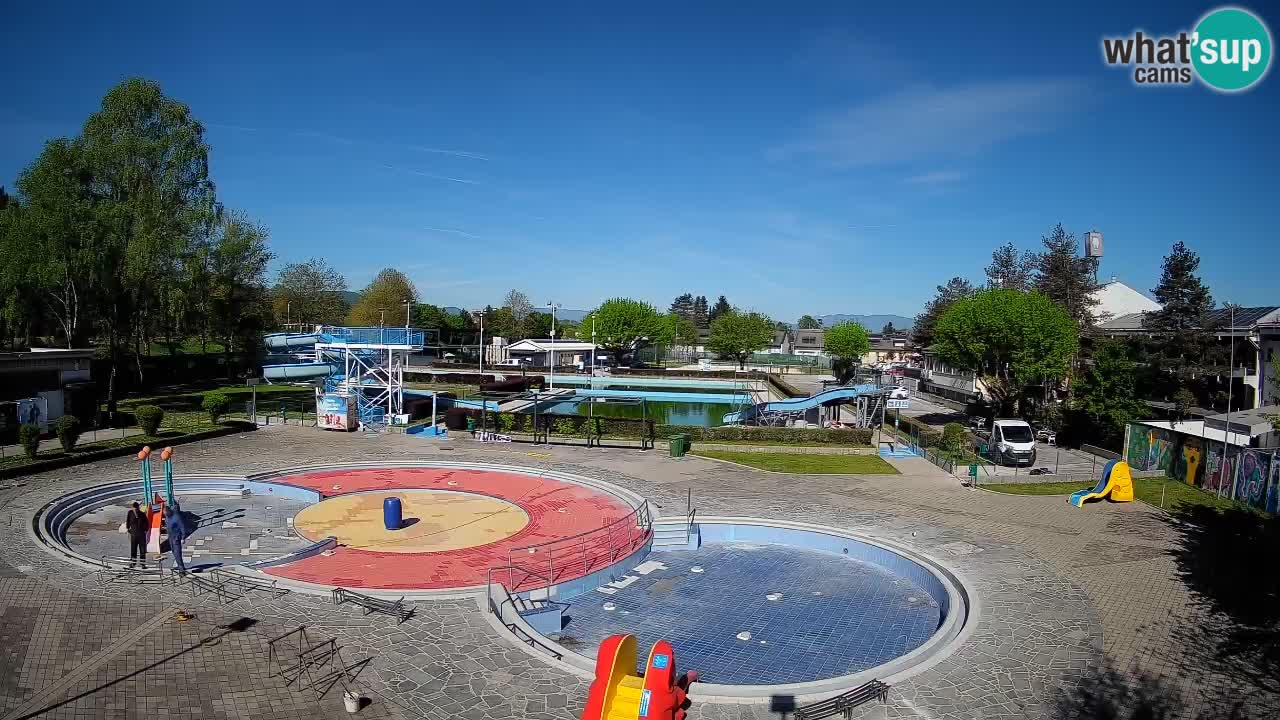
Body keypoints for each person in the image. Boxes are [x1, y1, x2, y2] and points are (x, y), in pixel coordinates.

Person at [164, 505, 188, 574]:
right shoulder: (167, 517)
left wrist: (183, 537)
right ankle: (180, 565)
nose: (165, 515)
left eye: (166, 513)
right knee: (174, 552)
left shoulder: (176, 517)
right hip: (170, 537)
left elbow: (182, 527)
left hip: (176, 538)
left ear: (168, 511)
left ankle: (182, 570)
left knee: (177, 553)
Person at [126, 502, 148, 568]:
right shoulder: (130, 513)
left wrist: (144, 530)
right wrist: (129, 529)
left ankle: (142, 563)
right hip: (134, 535)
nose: (135, 510)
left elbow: (147, 524)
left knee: (142, 550)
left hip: (141, 535)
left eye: (136, 509)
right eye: (134, 509)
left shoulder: (142, 514)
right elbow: (128, 522)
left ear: (138, 508)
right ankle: (133, 562)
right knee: (133, 549)